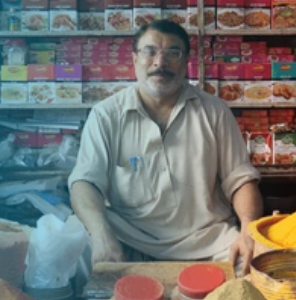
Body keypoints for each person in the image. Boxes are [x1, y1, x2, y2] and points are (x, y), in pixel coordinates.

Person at [69, 19, 263, 272]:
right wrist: (101, 233)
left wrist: (249, 229)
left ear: (185, 62)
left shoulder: (214, 110)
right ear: (135, 59)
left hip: (207, 240)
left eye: (173, 53)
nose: (160, 63)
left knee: (255, 263)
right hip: (129, 238)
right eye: (150, 52)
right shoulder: (106, 114)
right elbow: (85, 182)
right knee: (75, 250)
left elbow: (240, 179)